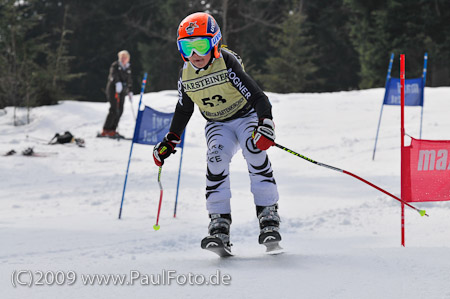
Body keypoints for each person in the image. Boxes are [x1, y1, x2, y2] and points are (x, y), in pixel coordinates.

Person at [153, 12, 281, 256]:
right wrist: (170, 140)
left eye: (200, 45)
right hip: (217, 123)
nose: (195, 55)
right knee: (215, 159)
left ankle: (268, 214)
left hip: (245, 117)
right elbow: (183, 109)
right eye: (187, 47)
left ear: (215, 43)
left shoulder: (226, 62)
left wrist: (265, 123)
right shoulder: (185, 74)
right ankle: (219, 223)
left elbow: (257, 96)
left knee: (254, 151)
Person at [101, 50, 133, 138]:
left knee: (120, 110)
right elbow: (113, 75)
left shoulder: (128, 68)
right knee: (114, 109)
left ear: (128, 59)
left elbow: (129, 80)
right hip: (113, 90)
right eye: (122, 57)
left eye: (125, 58)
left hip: (122, 91)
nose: (123, 59)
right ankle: (106, 129)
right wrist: (117, 82)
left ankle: (113, 129)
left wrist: (130, 91)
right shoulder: (115, 65)